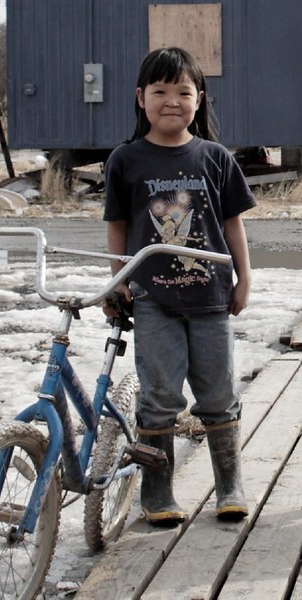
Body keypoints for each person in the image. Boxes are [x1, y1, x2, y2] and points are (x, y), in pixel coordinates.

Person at [103, 47, 256, 525]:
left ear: (200, 98)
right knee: (161, 396)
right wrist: (117, 278)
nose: (172, 101)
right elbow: (116, 225)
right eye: (160, 91)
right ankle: (157, 491)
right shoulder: (125, 159)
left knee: (217, 394)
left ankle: (230, 486)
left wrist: (244, 276)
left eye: (183, 91)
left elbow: (232, 225)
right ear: (140, 98)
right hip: (154, 300)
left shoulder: (215, 157)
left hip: (211, 297)